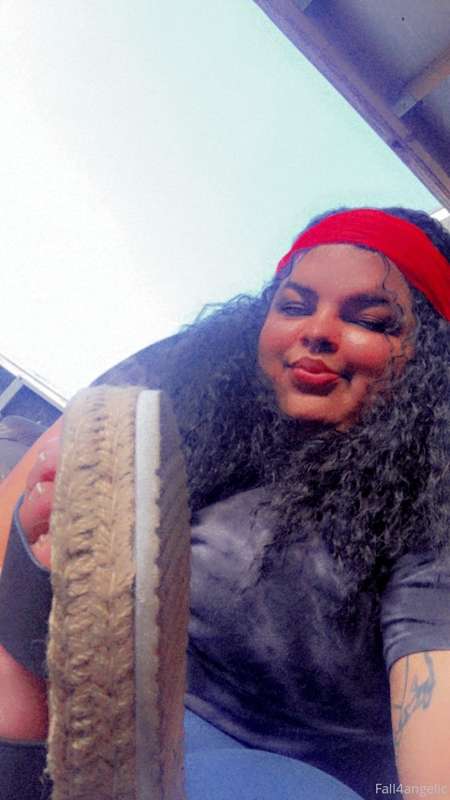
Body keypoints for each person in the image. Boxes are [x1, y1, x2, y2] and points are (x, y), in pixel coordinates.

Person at [0, 206, 449, 800]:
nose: (316, 331)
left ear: (426, 357)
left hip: (279, 768)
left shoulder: (432, 506)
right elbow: (34, 491)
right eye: (294, 306)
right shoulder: (187, 386)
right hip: (95, 690)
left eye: (370, 320)